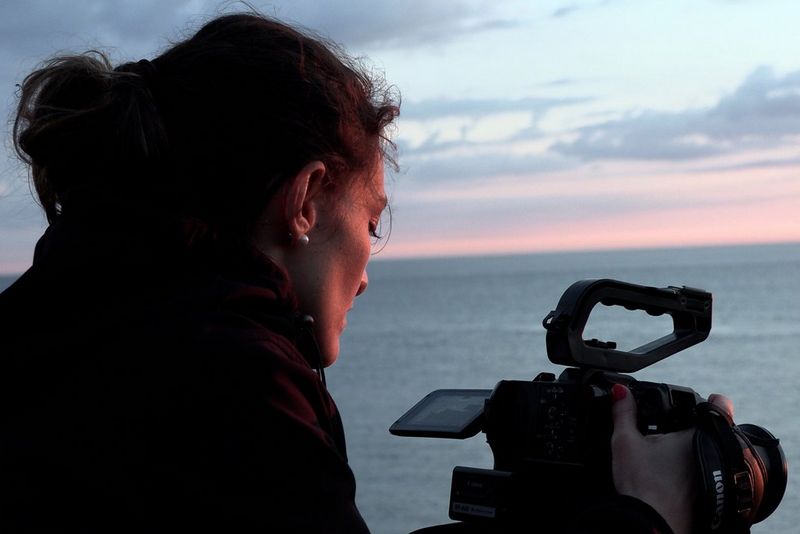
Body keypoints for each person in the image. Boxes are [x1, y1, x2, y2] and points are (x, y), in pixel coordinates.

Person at [0, 11, 733, 534]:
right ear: (304, 201)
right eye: (372, 221)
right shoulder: (228, 382)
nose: (365, 278)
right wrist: (646, 519)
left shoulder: (57, 329)